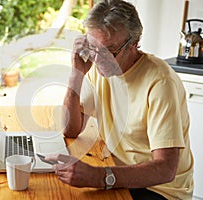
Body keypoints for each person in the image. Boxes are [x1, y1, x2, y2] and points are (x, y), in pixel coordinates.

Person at [45, 0, 194, 199]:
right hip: (118, 172)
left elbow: (165, 169)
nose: (98, 58)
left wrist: (97, 176)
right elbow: (70, 128)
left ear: (134, 43)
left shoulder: (160, 83)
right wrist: (76, 74)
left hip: (161, 190)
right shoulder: (97, 68)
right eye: (93, 48)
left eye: (110, 51)